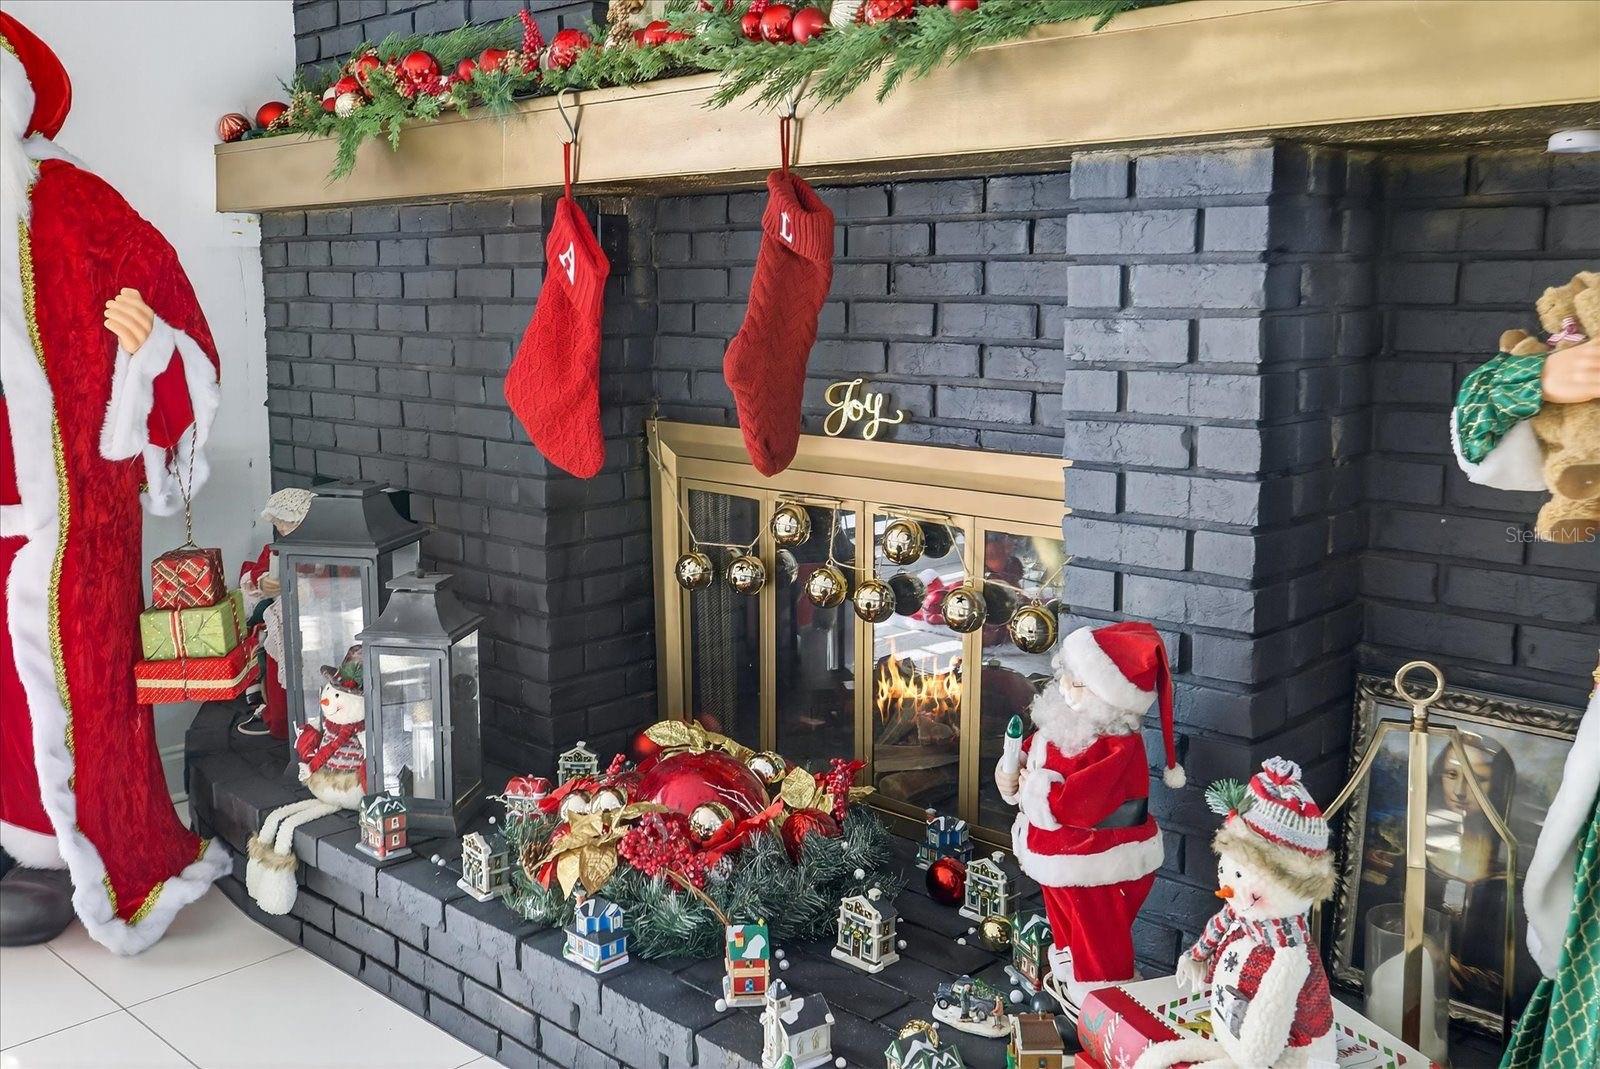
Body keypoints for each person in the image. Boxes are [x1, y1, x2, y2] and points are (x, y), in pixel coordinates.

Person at [0, 14, 228, 951]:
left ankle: (58, 848)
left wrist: (149, 349)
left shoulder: (73, 202)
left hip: (65, 515)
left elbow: (176, 323)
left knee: (64, 684)